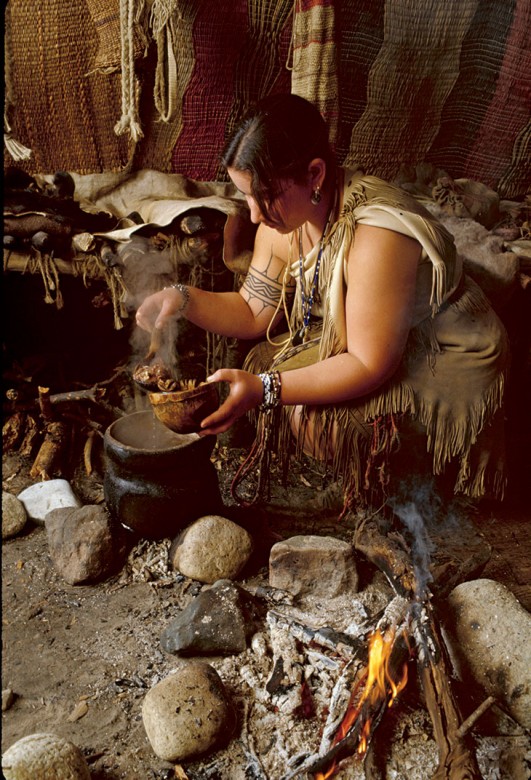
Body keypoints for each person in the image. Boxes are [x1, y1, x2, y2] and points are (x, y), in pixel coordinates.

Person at [136, 93, 508, 510]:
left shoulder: (377, 236)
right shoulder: (283, 223)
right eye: (246, 197)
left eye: (264, 195)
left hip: (441, 346)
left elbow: (370, 362)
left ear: (314, 173)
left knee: (304, 416)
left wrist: (265, 390)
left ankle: (402, 485)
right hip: (370, 332)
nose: (255, 214)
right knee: (262, 362)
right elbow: (252, 310)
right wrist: (181, 299)